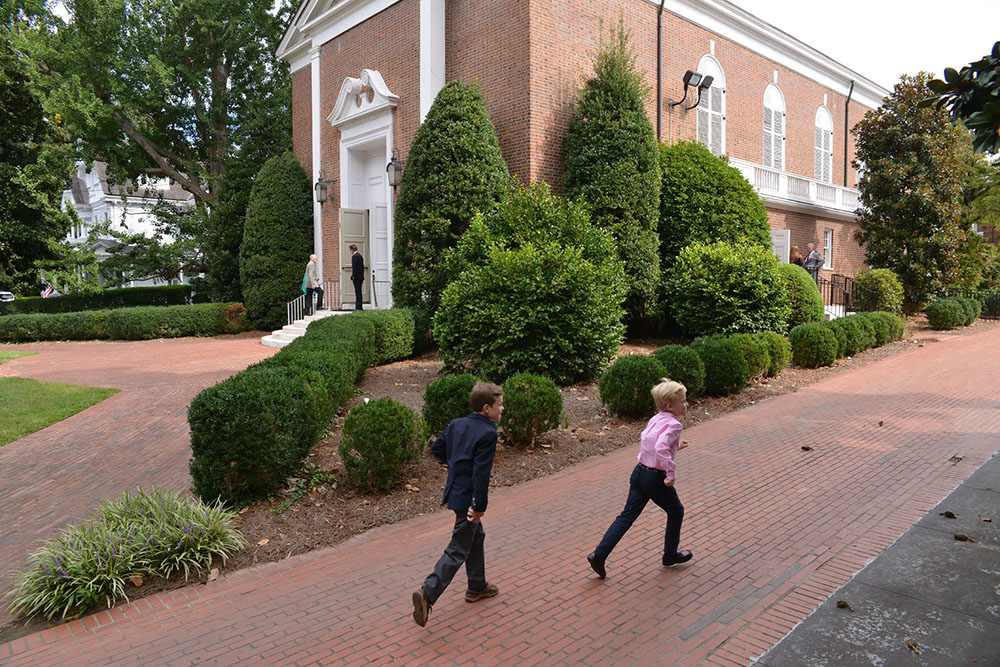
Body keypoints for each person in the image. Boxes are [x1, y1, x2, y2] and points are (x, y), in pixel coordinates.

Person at [412, 382, 504, 627]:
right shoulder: (488, 433)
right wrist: (479, 505)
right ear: (486, 408)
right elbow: (481, 474)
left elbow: (437, 448)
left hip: (455, 492)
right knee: (458, 548)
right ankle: (427, 593)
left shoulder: (456, 424)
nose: (502, 409)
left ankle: (476, 586)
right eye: (499, 404)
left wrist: (456, 464)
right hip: (469, 498)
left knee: (476, 535)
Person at [587, 379, 692, 579]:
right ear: (670, 406)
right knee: (676, 511)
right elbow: (661, 448)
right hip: (655, 479)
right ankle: (670, 555)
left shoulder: (656, 419)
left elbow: (650, 441)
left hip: (639, 474)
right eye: (683, 401)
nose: (686, 404)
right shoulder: (675, 425)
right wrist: (671, 474)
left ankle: (599, 555)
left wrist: (676, 446)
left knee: (626, 516)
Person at [350, 244, 364, 311]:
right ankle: (360, 306)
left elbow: (355, 267)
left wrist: (353, 276)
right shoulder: (360, 256)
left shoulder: (355, 257)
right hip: (360, 277)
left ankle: (358, 307)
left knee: (357, 292)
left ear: (352, 250)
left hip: (357, 277)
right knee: (359, 292)